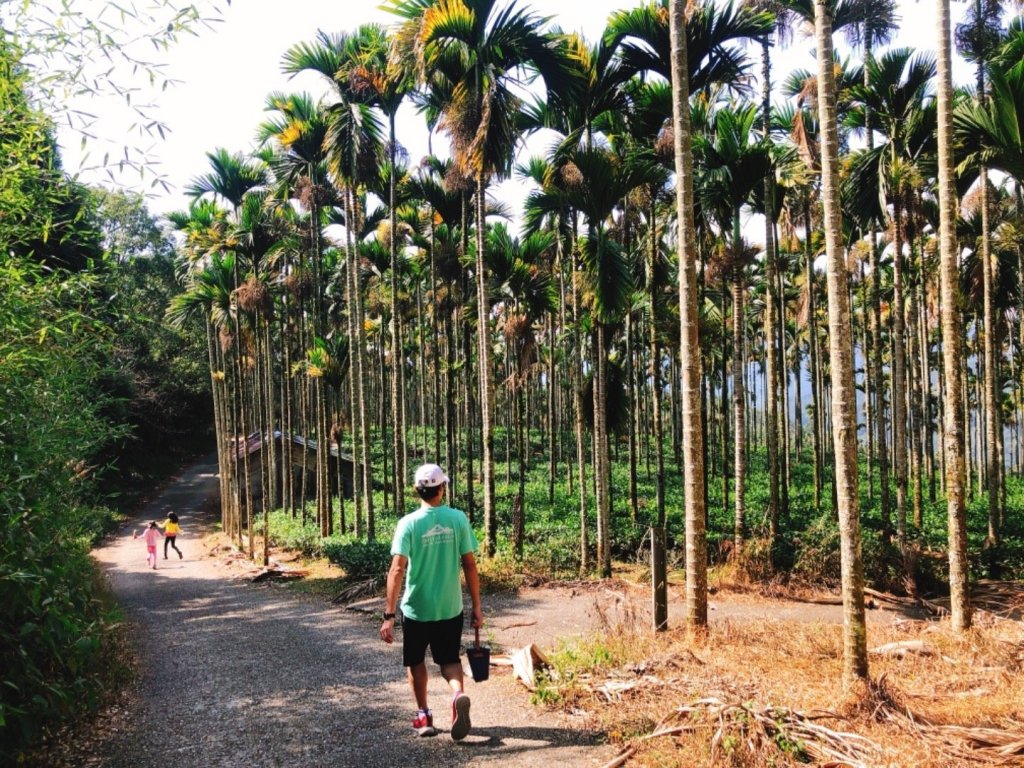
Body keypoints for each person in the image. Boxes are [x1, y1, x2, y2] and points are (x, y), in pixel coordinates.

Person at [380, 463, 483, 741]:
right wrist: (477, 606)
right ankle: (457, 695)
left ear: (417, 490)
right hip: (450, 607)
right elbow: (470, 565)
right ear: (442, 488)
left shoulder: (408, 524)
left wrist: (389, 615)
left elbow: (397, 570)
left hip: (417, 609)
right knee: (449, 660)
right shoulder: (458, 519)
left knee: (416, 662)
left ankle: (424, 715)